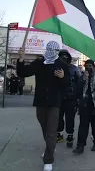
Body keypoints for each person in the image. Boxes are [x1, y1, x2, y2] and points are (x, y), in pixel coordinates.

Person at [16, 43, 69, 171]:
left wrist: (62, 78)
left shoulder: (62, 65)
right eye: (49, 49)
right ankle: (50, 147)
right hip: (40, 101)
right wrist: (21, 58)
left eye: (54, 50)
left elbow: (66, 86)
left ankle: (48, 160)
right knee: (44, 127)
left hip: (54, 103)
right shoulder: (39, 62)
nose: (51, 51)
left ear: (57, 51)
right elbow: (22, 73)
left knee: (51, 130)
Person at [72, 60, 95, 154]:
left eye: (90, 66)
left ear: (94, 66)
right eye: (86, 66)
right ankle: (80, 146)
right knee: (83, 127)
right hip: (84, 105)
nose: (88, 68)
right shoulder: (83, 77)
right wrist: (83, 80)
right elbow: (77, 91)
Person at [56, 49, 82, 147]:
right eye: (62, 57)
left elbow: (79, 83)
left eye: (66, 57)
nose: (64, 59)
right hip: (58, 98)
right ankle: (59, 133)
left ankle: (70, 135)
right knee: (58, 118)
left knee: (70, 118)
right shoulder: (55, 68)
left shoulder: (74, 69)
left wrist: (79, 98)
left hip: (71, 98)